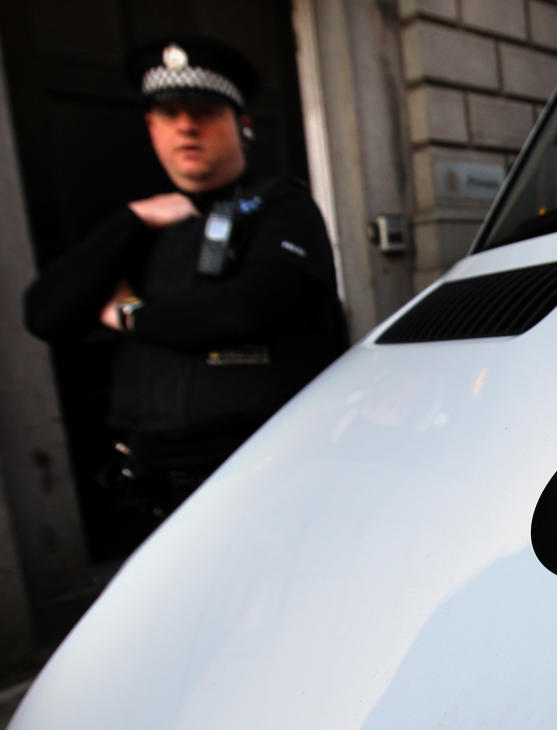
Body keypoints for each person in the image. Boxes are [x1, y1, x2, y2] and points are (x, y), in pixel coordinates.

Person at [24, 36, 347, 536]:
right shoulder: (142, 223)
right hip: (152, 484)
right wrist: (130, 220)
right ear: (151, 129)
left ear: (242, 125)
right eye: (170, 113)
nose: (187, 126)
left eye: (205, 112)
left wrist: (131, 314)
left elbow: (247, 308)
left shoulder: (281, 207)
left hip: (262, 470)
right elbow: (45, 314)